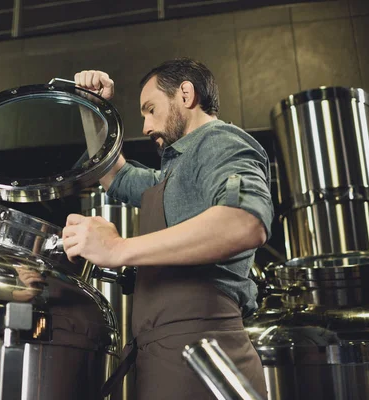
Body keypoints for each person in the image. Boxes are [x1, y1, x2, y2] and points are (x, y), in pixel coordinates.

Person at [62, 58, 273, 399]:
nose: (145, 127)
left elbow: (245, 220)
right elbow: (114, 175)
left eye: (150, 109)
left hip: (205, 353)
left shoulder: (219, 141)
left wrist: (118, 249)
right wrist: (93, 105)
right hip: (168, 352)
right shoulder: (172, 174)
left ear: (186, 94)